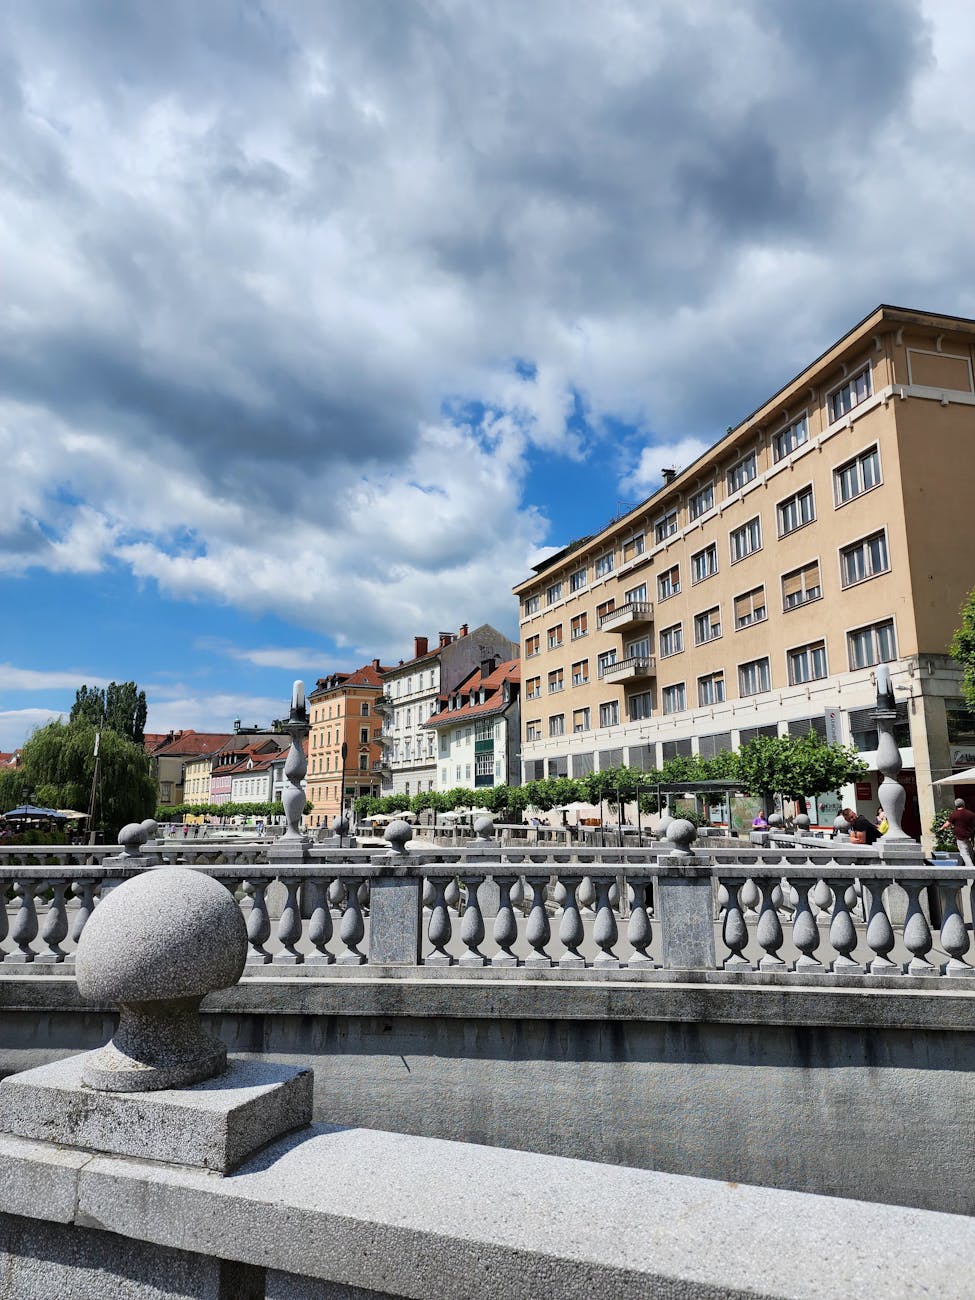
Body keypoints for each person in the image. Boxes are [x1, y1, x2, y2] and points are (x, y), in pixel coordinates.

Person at [942, 798, 975, 867]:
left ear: (956, 805)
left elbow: (947, 824)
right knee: (970, 852)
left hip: (960, 837)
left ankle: (971, 871)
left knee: (965, 854)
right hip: (969, 836)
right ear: (963, 804)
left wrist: (941, 828)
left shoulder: (954, 814)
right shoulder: (971, 814)